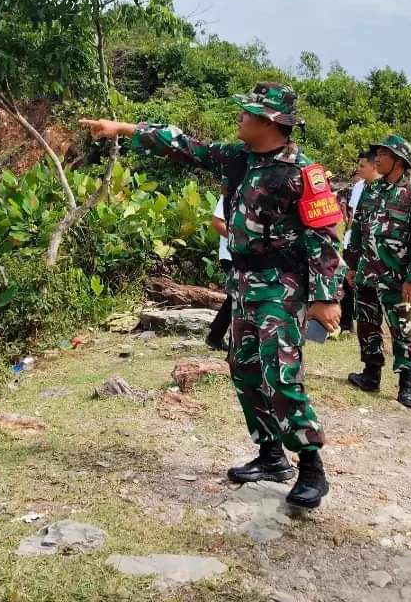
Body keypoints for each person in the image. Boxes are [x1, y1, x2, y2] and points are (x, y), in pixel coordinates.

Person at [80, 82, 345, 509]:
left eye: (248, 112)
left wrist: (326, 296)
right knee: (243, 368)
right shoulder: (237, 157)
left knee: (280, 373)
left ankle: (312, 467)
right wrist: (123, 128)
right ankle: (272, 455)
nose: (239, 117)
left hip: (282, 287)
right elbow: (184, 146)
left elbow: (325, 237)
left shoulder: (303, 173)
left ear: (269, 121)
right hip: (242, 284)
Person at [347, 135, 411, 409]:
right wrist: (352, 265)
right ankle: (371, 374)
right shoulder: (372, 190)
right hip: (367, 272)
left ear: (398, 160)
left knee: (402, 329)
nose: (377, 159)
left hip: (396, 277)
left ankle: (407, 385)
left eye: (383, 154)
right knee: (367, 325)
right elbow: (358, 228)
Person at [340, 152, 381, 332]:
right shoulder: (358, 187)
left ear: (374, 166)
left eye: (362, 166)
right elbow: (353, 216)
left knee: (371, 285)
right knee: (347, 280)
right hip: (353, 241)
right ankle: (346, 322)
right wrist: (348, 238)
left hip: (374, 246)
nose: (358, 169)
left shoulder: (385, 188)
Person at [205, 196, 233, 351]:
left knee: (236, 296)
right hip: (230, 255)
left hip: (252, 256)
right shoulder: (230, 192)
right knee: (238, 294)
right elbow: (217, 223)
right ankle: (216, 335)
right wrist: (240, 239)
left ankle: (216, 335)